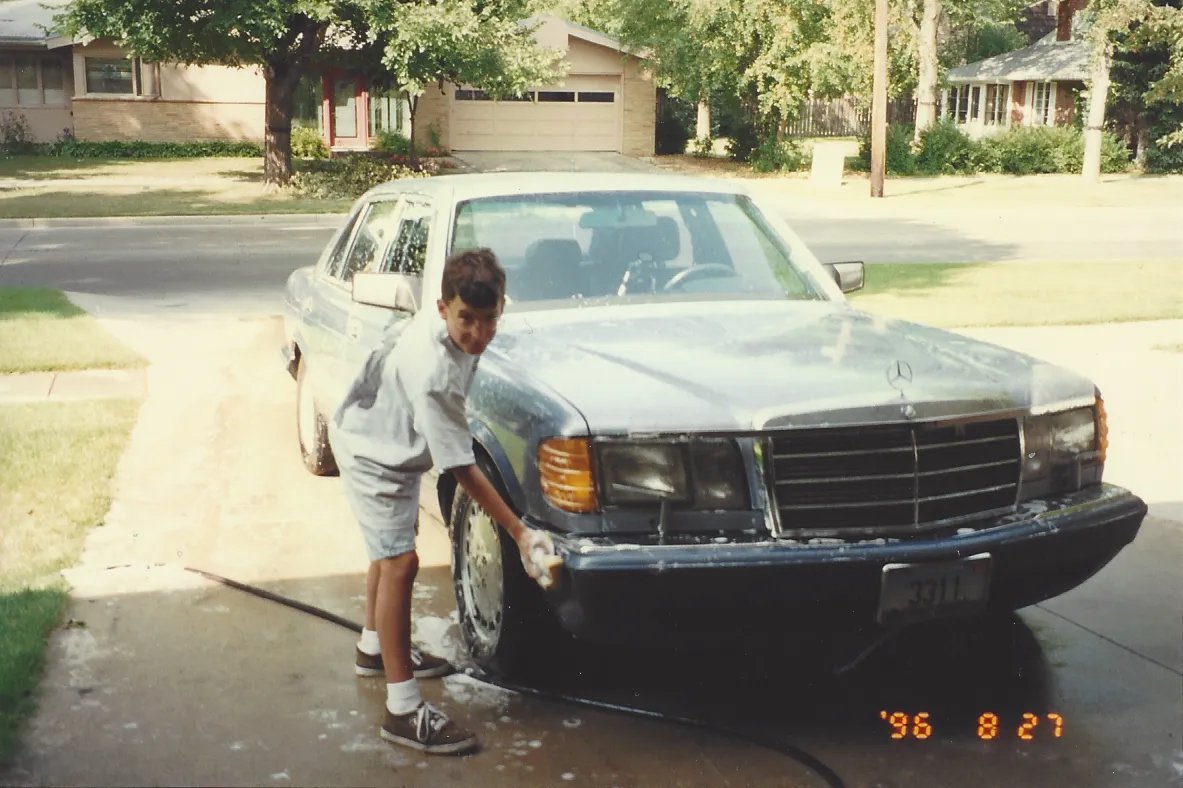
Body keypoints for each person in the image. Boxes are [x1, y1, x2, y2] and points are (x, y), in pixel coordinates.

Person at [330, 247, 559, 755]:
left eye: (488, 320)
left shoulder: (456, 338)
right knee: (401, 564)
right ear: (442, 309)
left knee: (388, 554)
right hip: (374, 455)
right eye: (466, 320)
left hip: (388, 440)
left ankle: (375, 649)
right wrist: (520, 533)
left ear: (502, 308)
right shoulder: (432, 372)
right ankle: (403, 709)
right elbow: (461, 467)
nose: (478, 333)